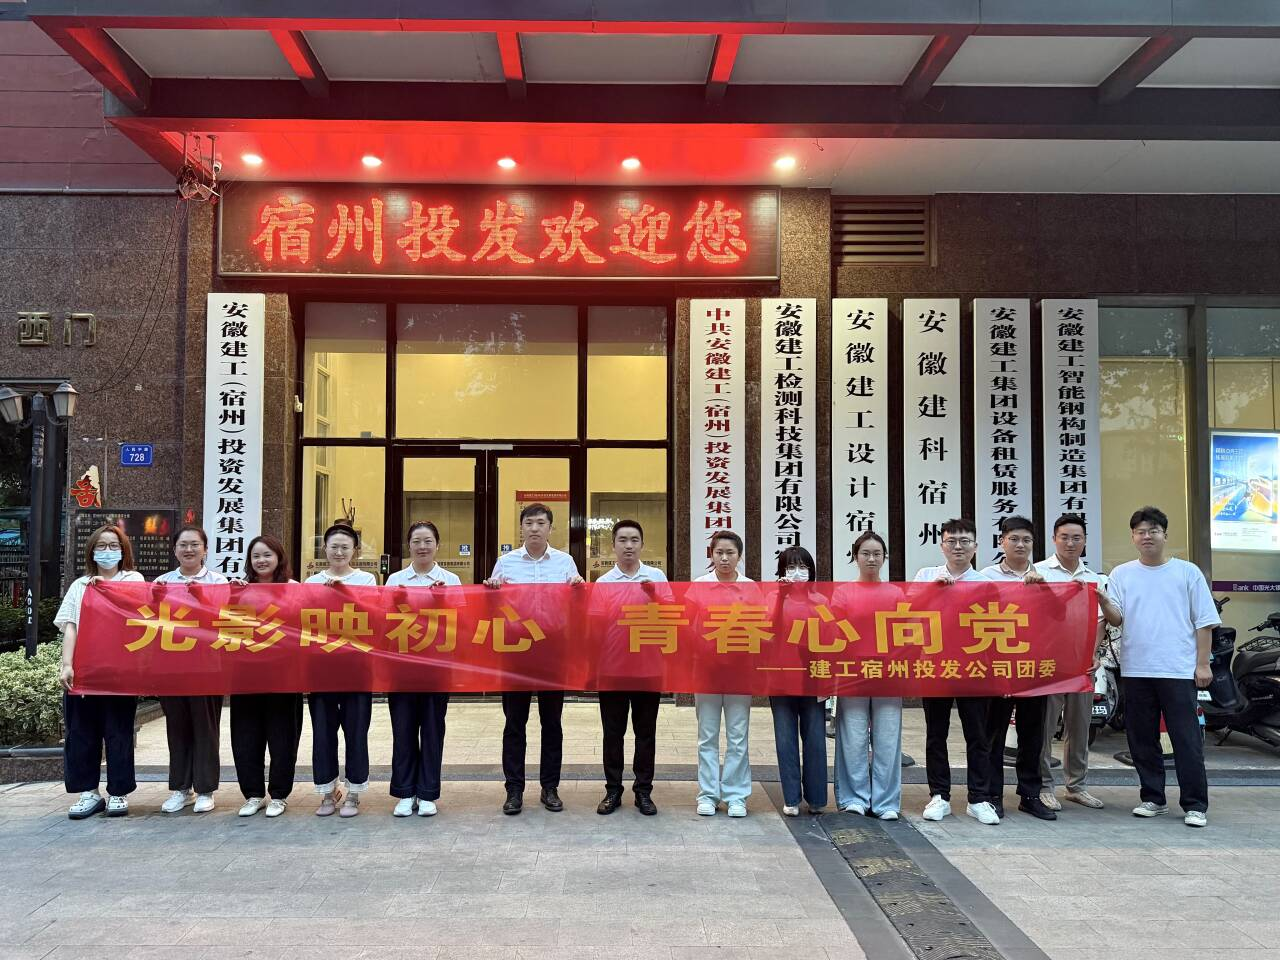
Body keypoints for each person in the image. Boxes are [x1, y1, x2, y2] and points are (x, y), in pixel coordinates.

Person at [1107, 505, 1217, 828]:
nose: (1147, 536)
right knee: (1142, 739)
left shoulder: (1187, 572)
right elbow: (1116, 618)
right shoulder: (1121, 574)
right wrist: (1102, 602)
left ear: (1164, 535)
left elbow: (1205, 621)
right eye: (1140, 532)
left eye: (1153, 531)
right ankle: (1153, 798)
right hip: (1136, 669)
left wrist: (1202, 664)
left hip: (1178, 669)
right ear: (1133, 537)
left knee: (1186, 739)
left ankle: (1195, 804)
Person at [484, 502, 584, 815]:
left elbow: (578, 606)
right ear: (521, 527)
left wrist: (578, 589)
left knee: (551, 722)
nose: (535, 528)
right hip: (516, 651)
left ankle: (549, 787)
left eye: (541, 522)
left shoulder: (565, 562)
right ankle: (514, 790)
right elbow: (491, 609)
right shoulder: (506, 562)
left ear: (550, 528)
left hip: (553, 651)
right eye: (529, 522)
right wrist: (492, 592)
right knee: (515, 723)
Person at [1033, 513, 1123, 812]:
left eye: (1077, 538)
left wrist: (1093, 654)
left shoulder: (1095, 579)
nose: (1070, 543)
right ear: (1054, 539)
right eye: (1064, 537)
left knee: (1079, 726)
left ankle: (1076, 786)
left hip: (1083, 665)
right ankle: (1044, 786)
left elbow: (1101, 622)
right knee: (1045, 728)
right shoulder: (1038, 573)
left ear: (1084, 541)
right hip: (1048, 664)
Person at [56, 524, 146, 819]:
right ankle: (88, 792)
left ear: (124, 551)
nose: (108, 551)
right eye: (102, 546)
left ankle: (118, 792)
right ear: (91, 551)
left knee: (118, 732)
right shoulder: (79, 585)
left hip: (119, 673)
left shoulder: (133, 579)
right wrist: (67, 665)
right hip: (85, 671)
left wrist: (106, 589)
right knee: (81, 733)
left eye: (113, 545)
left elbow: (136, 612)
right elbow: (71, 626)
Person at [913, 518, 996, 825]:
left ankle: (979, 798)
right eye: (952, 541)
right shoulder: (926, 576)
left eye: (964, 541)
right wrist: (932, 592)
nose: (958, 547)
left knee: (977, 734)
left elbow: (999, 620)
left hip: (974, 667)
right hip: (935, 665)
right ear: (942, 545)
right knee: (936, 733)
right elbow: (907, 612)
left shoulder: (984, 582)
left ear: (975, 546)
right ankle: (939, 795)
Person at [978, 516, 1056, 822]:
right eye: (1014, 539)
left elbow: (1060, 616)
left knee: (1032, 735)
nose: (1020, 545)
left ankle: (1030, 795)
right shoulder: (986, 576)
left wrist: (1045, 590)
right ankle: (992, 796)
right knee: (993, 735)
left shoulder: (1044, 576)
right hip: (997, 668)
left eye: (1026, 540)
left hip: (1033, 667)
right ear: (1002, 542)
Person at [384, 520, 460, 818]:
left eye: (428, 541)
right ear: (409, 546)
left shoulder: (450, 580)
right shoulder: (395, 580)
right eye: (416, 541)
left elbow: (462, 624)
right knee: (403, 731)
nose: (422, 546)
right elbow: (382, 621)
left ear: (437, 545)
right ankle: (405, 792)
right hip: (401, 668)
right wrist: (397, 602)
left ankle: (427, 793)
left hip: (436, 668)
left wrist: (443, 602)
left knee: (432, 730)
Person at [592, 519, 666, 817]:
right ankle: (613, 790)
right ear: (613, 545)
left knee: (645, 733)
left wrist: (654, 597)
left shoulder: (656, 576)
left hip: (649, 667)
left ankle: (643, 791)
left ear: (642, 544)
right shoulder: (603, 583)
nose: (628, 546)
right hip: (613, 667)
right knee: (613, 733)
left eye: (634, 540)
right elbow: (595, 626)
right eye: (622, 540)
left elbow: (672, 618)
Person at [305, 523, 379, 817]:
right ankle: (327, 791)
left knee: (356, 731)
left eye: (345, 547)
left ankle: (354, 792)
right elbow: (303, 622)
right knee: (323, 732)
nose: (339, 552)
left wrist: (345, 595)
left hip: (356, 667)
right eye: (334, 547)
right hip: (321, 667)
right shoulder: (312, 582)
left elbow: (373, 616)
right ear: (324, 549)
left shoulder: (367, 579)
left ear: (354, 551)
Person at [156, 526, 229, 814]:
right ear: (175, 550)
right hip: (171, 667)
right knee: (177, 728)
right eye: (183, 545)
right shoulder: (162, 582)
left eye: (195, 545)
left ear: (205, 550)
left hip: (206, 667)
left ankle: (205, 789)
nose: (189, 550)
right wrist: (155, 598)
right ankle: (181, 789)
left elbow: (223, 619)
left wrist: (203, 598)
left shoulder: (217, 581)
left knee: (205, 727)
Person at [229, 535, 303, 819]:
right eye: (256, 556)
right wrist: (231, 595)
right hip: (246, 675)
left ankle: (280, 795)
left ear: (279, 557)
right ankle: (253, 794)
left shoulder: (294, 589)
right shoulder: (240, 589)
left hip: (284, 675)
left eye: (267, 555)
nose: (261, 560)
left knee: (283, 737)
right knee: (246, 736)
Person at [831, 531, 902, 820]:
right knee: (853, 736)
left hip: (888, 674)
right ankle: (854, 797)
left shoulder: (896, 593)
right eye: (865, 553)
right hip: (853, 673)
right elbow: (833, 632)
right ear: (855, 557)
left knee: (888, 737)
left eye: (877, 554)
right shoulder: (843, 593)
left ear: (885, 558)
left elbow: (905, 634)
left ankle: (886, 802)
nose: (871, 559)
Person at [691, 530, 756, 818]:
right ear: (712, 554)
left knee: (738, 736)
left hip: (740, 672)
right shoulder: (699, 586)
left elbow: (759, 628)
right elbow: (690, 628)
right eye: (719, 552)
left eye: (730, 553)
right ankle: (707, 794)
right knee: (707, 736)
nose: (725, 558)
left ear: (739, 555)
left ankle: (736, 795)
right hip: (706, 671)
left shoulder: (751, 588)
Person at [768, 545, 828, 816]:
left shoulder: (820, 601)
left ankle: (816, 797)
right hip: (781, 675)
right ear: (781, 571)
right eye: (790, 567)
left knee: (815, 738)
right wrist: (781, 598)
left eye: (803, 567)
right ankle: (791, 797)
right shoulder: (773, 597)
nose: (797, 572)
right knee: (785, 738)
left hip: (813, 675)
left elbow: (831, 635)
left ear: (811, 571)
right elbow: (769, 630)